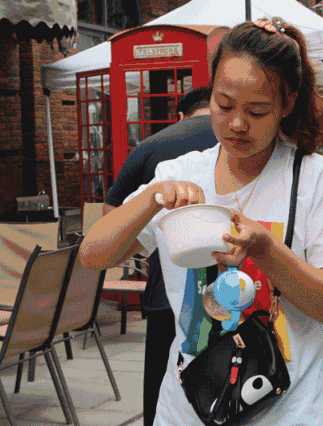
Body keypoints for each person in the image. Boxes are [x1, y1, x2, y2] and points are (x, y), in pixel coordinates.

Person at [81, 17, 323, 425]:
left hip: (283, 411)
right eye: (224, 104)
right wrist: (149, 199)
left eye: (257, 110)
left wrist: (267, 251)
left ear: (286, 104)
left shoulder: (315, 179)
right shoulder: (178, 173)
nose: (237, 124)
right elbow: (93, 256)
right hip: (184, 409)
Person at [102, 87, 216, 426]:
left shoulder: (152, 145)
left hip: (167, 290)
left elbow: (111, 214)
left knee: (163, 384)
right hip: (232, 288)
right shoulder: (241, 141)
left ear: (180, 114)